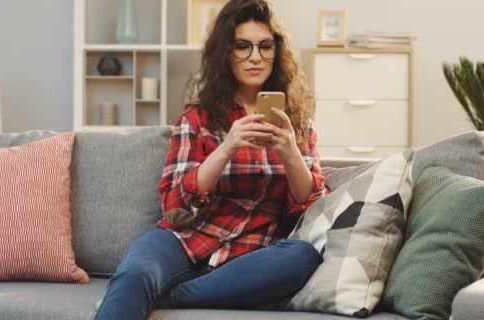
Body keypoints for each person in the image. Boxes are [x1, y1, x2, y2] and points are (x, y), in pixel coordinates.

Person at [94, 1, 327, 319]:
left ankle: (169, 297)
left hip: (247, 255)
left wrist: (289, 152)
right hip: (183, 240)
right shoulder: (197, 118)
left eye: (265, 46)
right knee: (135, 274)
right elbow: (174, 205)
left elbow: (311, 205)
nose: (255, 57)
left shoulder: (297, 123)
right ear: (225, 52)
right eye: (242, 46)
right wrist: (226, 149)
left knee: (303, 256)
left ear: (277, 51)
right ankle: (149, 289)